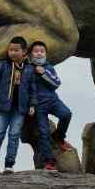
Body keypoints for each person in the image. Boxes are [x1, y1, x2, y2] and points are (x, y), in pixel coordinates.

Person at [0, 36, 37, 175]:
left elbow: (32, 89)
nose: (12, 52)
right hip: (3, 106)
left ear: (24, 52)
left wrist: (32, 104)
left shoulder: (29, 69)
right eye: (10, 50)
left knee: (14, 135)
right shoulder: (2, 65)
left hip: (20, 108)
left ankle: (9, 164)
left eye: (16, 50)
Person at [27, 40, 75, 172]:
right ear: (31, 54)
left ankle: (59, 137)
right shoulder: (28, 69)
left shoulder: (48, 67)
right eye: (36, 51)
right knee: (43, 132)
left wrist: (43, 73)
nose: (39, 54)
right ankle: (49, 161)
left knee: (66, 114)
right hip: (38, 106)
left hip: (53, 101)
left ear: (46, 54)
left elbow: (56, 83)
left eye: (42, 51)